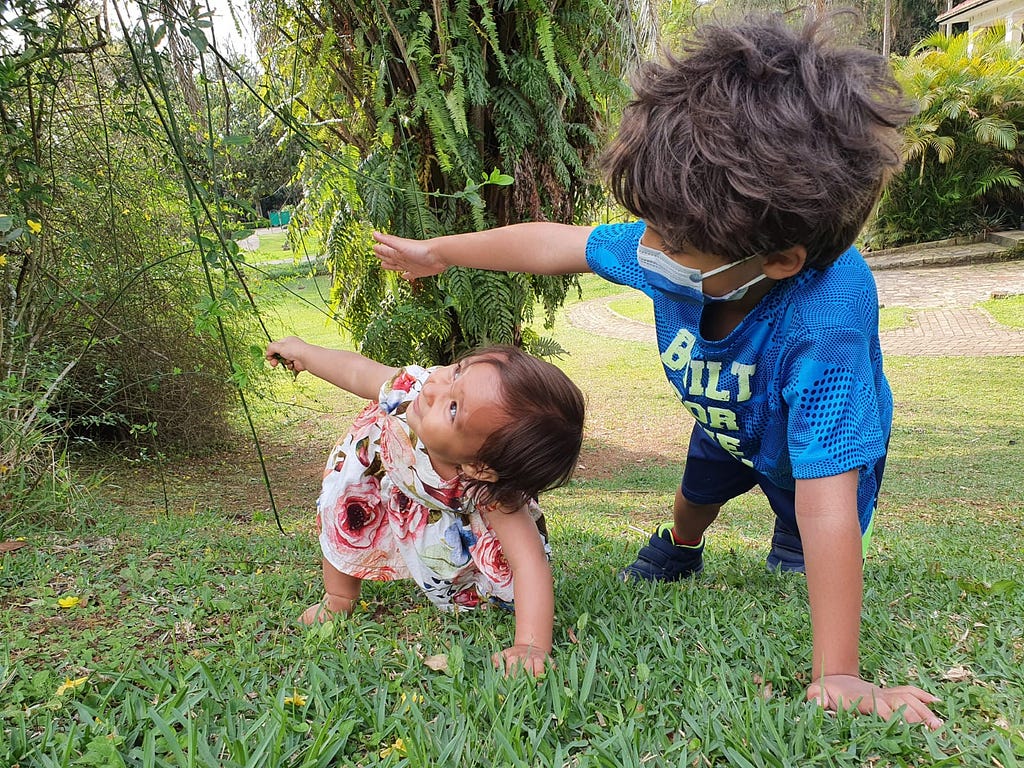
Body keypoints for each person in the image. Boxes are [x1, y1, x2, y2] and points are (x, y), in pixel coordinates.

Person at [371, 12, 944, 727]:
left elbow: (829, 499)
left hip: (805, 444)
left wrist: (841, 676)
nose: (645, 247)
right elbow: (561, 244)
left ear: (780, 260)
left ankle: (787, 555)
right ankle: (681, 549)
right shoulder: (680, 238)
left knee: (807, 536)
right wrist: (442, 252)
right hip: (722, 413)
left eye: (668, 239)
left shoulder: (827, 325)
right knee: (695, 493)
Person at [266, 336, 585, 676]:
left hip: (449, 508)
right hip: (379, 471)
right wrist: (306, 352)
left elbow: (528, 559)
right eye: (458, 372)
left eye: (452, 408)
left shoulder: (485, 489)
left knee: (493, 576)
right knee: (349, 515)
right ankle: (338, 597)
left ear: (480, 468)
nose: (435, 387)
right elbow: (358, 372)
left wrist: (532, 645)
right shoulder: (413, 390)